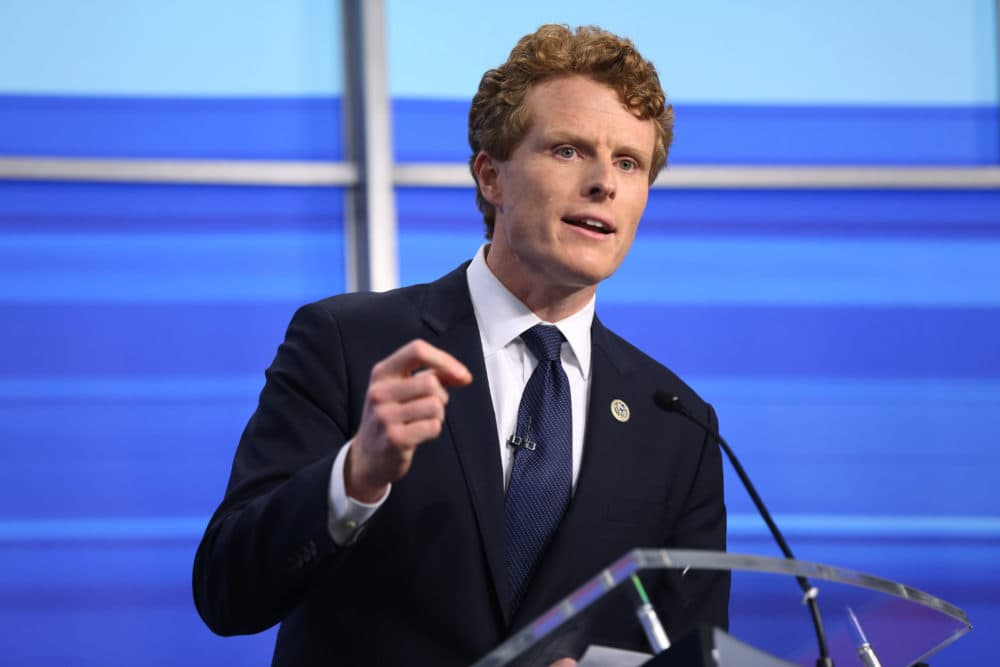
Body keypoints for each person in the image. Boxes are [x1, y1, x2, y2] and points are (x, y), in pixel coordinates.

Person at [193, 23, 728, 666]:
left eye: (628, 163)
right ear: (490, 177)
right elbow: (226, 593)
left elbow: (691, 652)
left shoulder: (676, 422)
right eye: (567, 150)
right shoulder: (349, 344)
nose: (603, 184)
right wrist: (354, 477)